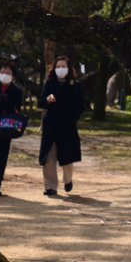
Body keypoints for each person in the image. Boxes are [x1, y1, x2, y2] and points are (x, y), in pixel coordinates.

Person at [38, 56, 85, 196]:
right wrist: (48, 99)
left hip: (67, 126)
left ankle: (68, 180)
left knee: (67, 158)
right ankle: (50, 187)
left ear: (69, 68)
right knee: (49, 158)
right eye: (58, 66)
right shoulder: (49, 84)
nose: (60, 69)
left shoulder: (76, 85)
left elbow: (80, 106)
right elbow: (41, 103)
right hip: (51, 125)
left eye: (63, 66)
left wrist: (71, 120)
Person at [0, 60, 24, 197]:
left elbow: (16, 110)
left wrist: (6, 103)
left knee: (1, 156)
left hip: (5, 127)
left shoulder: (16, 91)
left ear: (13, 76)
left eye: (8, 72)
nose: (4, 74)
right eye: (2, 72)